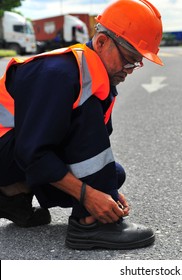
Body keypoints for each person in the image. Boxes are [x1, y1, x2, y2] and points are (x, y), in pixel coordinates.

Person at [0, 0, 163, 250]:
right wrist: (89, 195)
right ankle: (89, 225)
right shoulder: (59, 74)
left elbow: (88, 154)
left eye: (137, 63)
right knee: (87, 131)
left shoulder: (94, 79)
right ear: (101, 42)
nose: (130, 70)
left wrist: (106, 191)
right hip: (9, 152)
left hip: (13, 154)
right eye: (129, 59)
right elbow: (31, 152)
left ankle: (11, 196)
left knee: (114, 175)